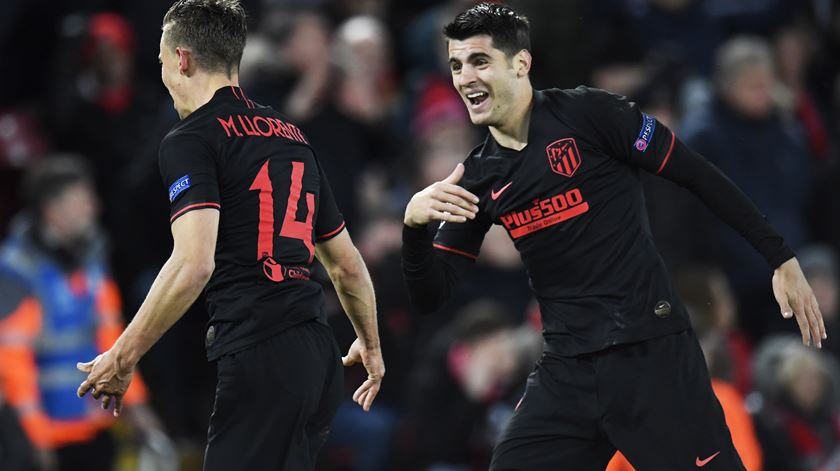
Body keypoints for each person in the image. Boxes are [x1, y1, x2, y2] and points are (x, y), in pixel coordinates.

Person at [401, 3, 825, 470]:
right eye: (457, 65)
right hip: (567, 369)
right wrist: (415, 228)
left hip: (652, 354)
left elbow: (697, 175)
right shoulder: (476, 178)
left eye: (480, 61)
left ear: (520, 63)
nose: (465, 78)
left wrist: (779, 257)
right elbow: (431, 294)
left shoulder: (591, 114)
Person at [75, 1, 384, 470]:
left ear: (181, 59)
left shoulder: (191, 138)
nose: (162, 75)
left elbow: (194, 263)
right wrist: (371, 344)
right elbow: (345, 265)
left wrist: (122, 356)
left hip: (262, 356)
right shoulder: (293, 137)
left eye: (161, 62)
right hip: (317, 358)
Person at [0, 157, 164, 471]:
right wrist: (35, 439)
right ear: (53, 210)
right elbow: (11, 363)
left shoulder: (92, 258)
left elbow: (113, 338)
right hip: (43, 440)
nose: (93, 208)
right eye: (82, 201)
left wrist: (136, 404)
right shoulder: (18, 271)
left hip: (94, 429)